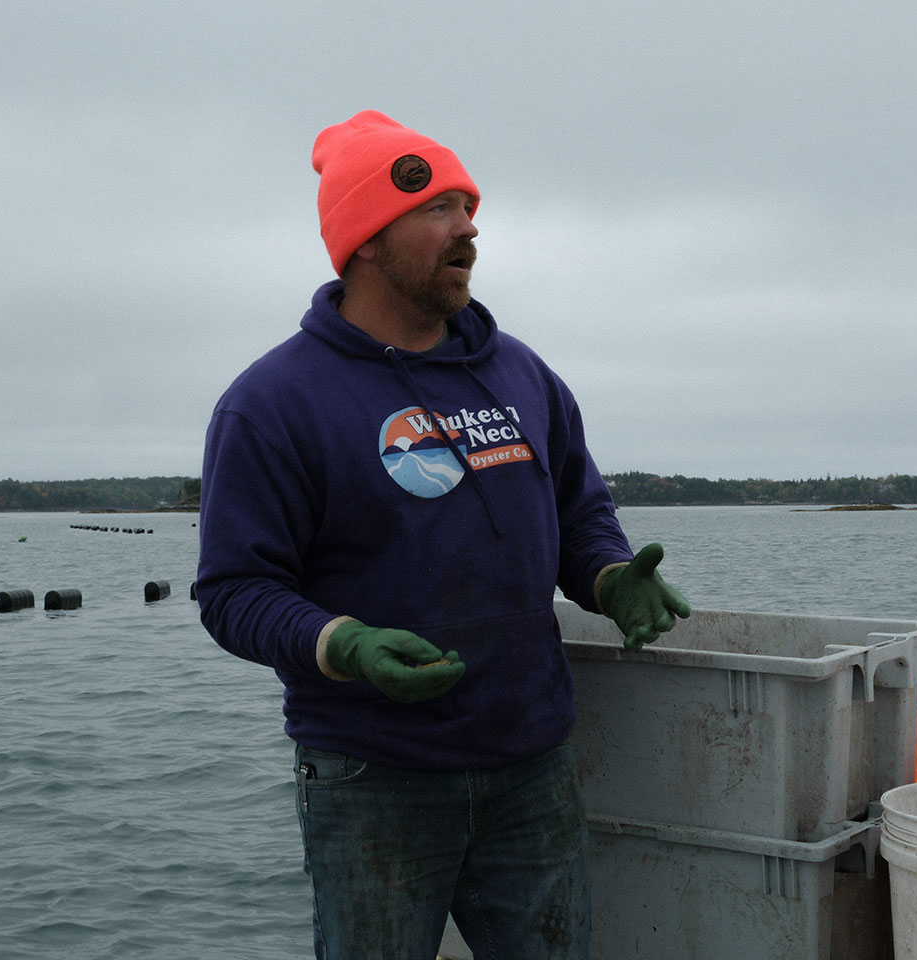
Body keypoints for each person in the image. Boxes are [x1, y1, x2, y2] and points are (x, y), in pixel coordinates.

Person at [195, 109, 691, 960]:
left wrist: (610, 577)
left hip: (531, 762)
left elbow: (579, 512)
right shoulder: (273, 402)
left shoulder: (521, 373)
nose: (468, 230)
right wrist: (343, 643)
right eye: (437, 210)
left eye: (469, 209)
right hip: (371, 779)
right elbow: (235, 591)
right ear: (365, 239)